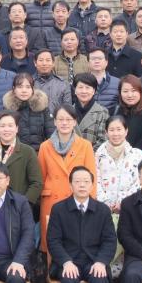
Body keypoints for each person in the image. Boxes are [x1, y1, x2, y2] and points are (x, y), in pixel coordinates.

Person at [46, 166, 116, 283]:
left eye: (86, 181)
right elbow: (53, 241)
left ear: (92, 185)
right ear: (70, 185)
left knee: (99, 278)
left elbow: (110, 241)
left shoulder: (102, 210)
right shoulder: (59, 209)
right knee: (69, 279)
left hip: (93, 261)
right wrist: (66, 262)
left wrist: (101, 262)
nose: (82, 185)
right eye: (77, 181)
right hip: (68, 262)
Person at [37, 105, 97, 251]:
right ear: (55, 122)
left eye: (68, 119)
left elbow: (92, 178)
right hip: (52, 200)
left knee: (76, 243)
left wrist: (91, 204)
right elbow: (41, 177)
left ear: (75, 122)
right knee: (52, 245)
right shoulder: (45, 146)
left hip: (77, 199)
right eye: (60, 119)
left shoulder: (85, 145)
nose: (64, 123)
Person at [94, 116, 142, 283]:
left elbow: (139, 181)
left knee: (127, 247)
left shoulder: (137, 154)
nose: (115, 133)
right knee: (106, 246)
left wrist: (123, 202)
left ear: (126, 131)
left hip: (129, 209)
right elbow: (95, 181)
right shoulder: (98, 154)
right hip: (104, 210)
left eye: (119, 129)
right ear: (106, 132)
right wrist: (106, 203)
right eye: (112, 130)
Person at [0, 112, 43, 216]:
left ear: (17, 128)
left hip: (18, 209)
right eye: (2, 126)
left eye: (10, 126)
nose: (6, 129)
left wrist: (24, 203)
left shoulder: (27, 151)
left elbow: (37, 183)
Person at [1, 73, 54, 151]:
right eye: (20, 87)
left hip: (39, 152)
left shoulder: (42, 108)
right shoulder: (8, 110)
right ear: (14, 89)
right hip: (14, 153)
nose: (24, 90)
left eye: (28, 87)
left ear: (33, 89)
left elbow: (51, 134)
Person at [117, 75, 142, 154]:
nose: (130, 95)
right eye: (125, 91)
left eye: (133, 91)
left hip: (139, 156)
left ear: (140, 92)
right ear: (120, 93)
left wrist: (131, 155)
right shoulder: (117, 112)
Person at [73, 73, 109, 150]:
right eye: (80, 87)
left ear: (94, 91)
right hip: (69, 155)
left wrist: (87, 154)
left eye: (87, 88)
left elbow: (103, 140)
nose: (84, 91)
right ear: (75, 90)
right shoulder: (67, 112)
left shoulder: (102, 112)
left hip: (92, 155)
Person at [33, 49, 71, 114]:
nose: (44, 63)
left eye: (48, 60)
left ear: (53, 63)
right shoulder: (29, 83)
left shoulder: (63, 83)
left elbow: (68, 108)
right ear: (35, 63)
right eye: (41, 60)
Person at [86, 49, 120, 114]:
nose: (97, 61)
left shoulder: (118, 82)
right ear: (88, 63)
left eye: (100, 58)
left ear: (106, 62)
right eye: (93, 59)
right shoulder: (82, 82)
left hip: (111, 118)